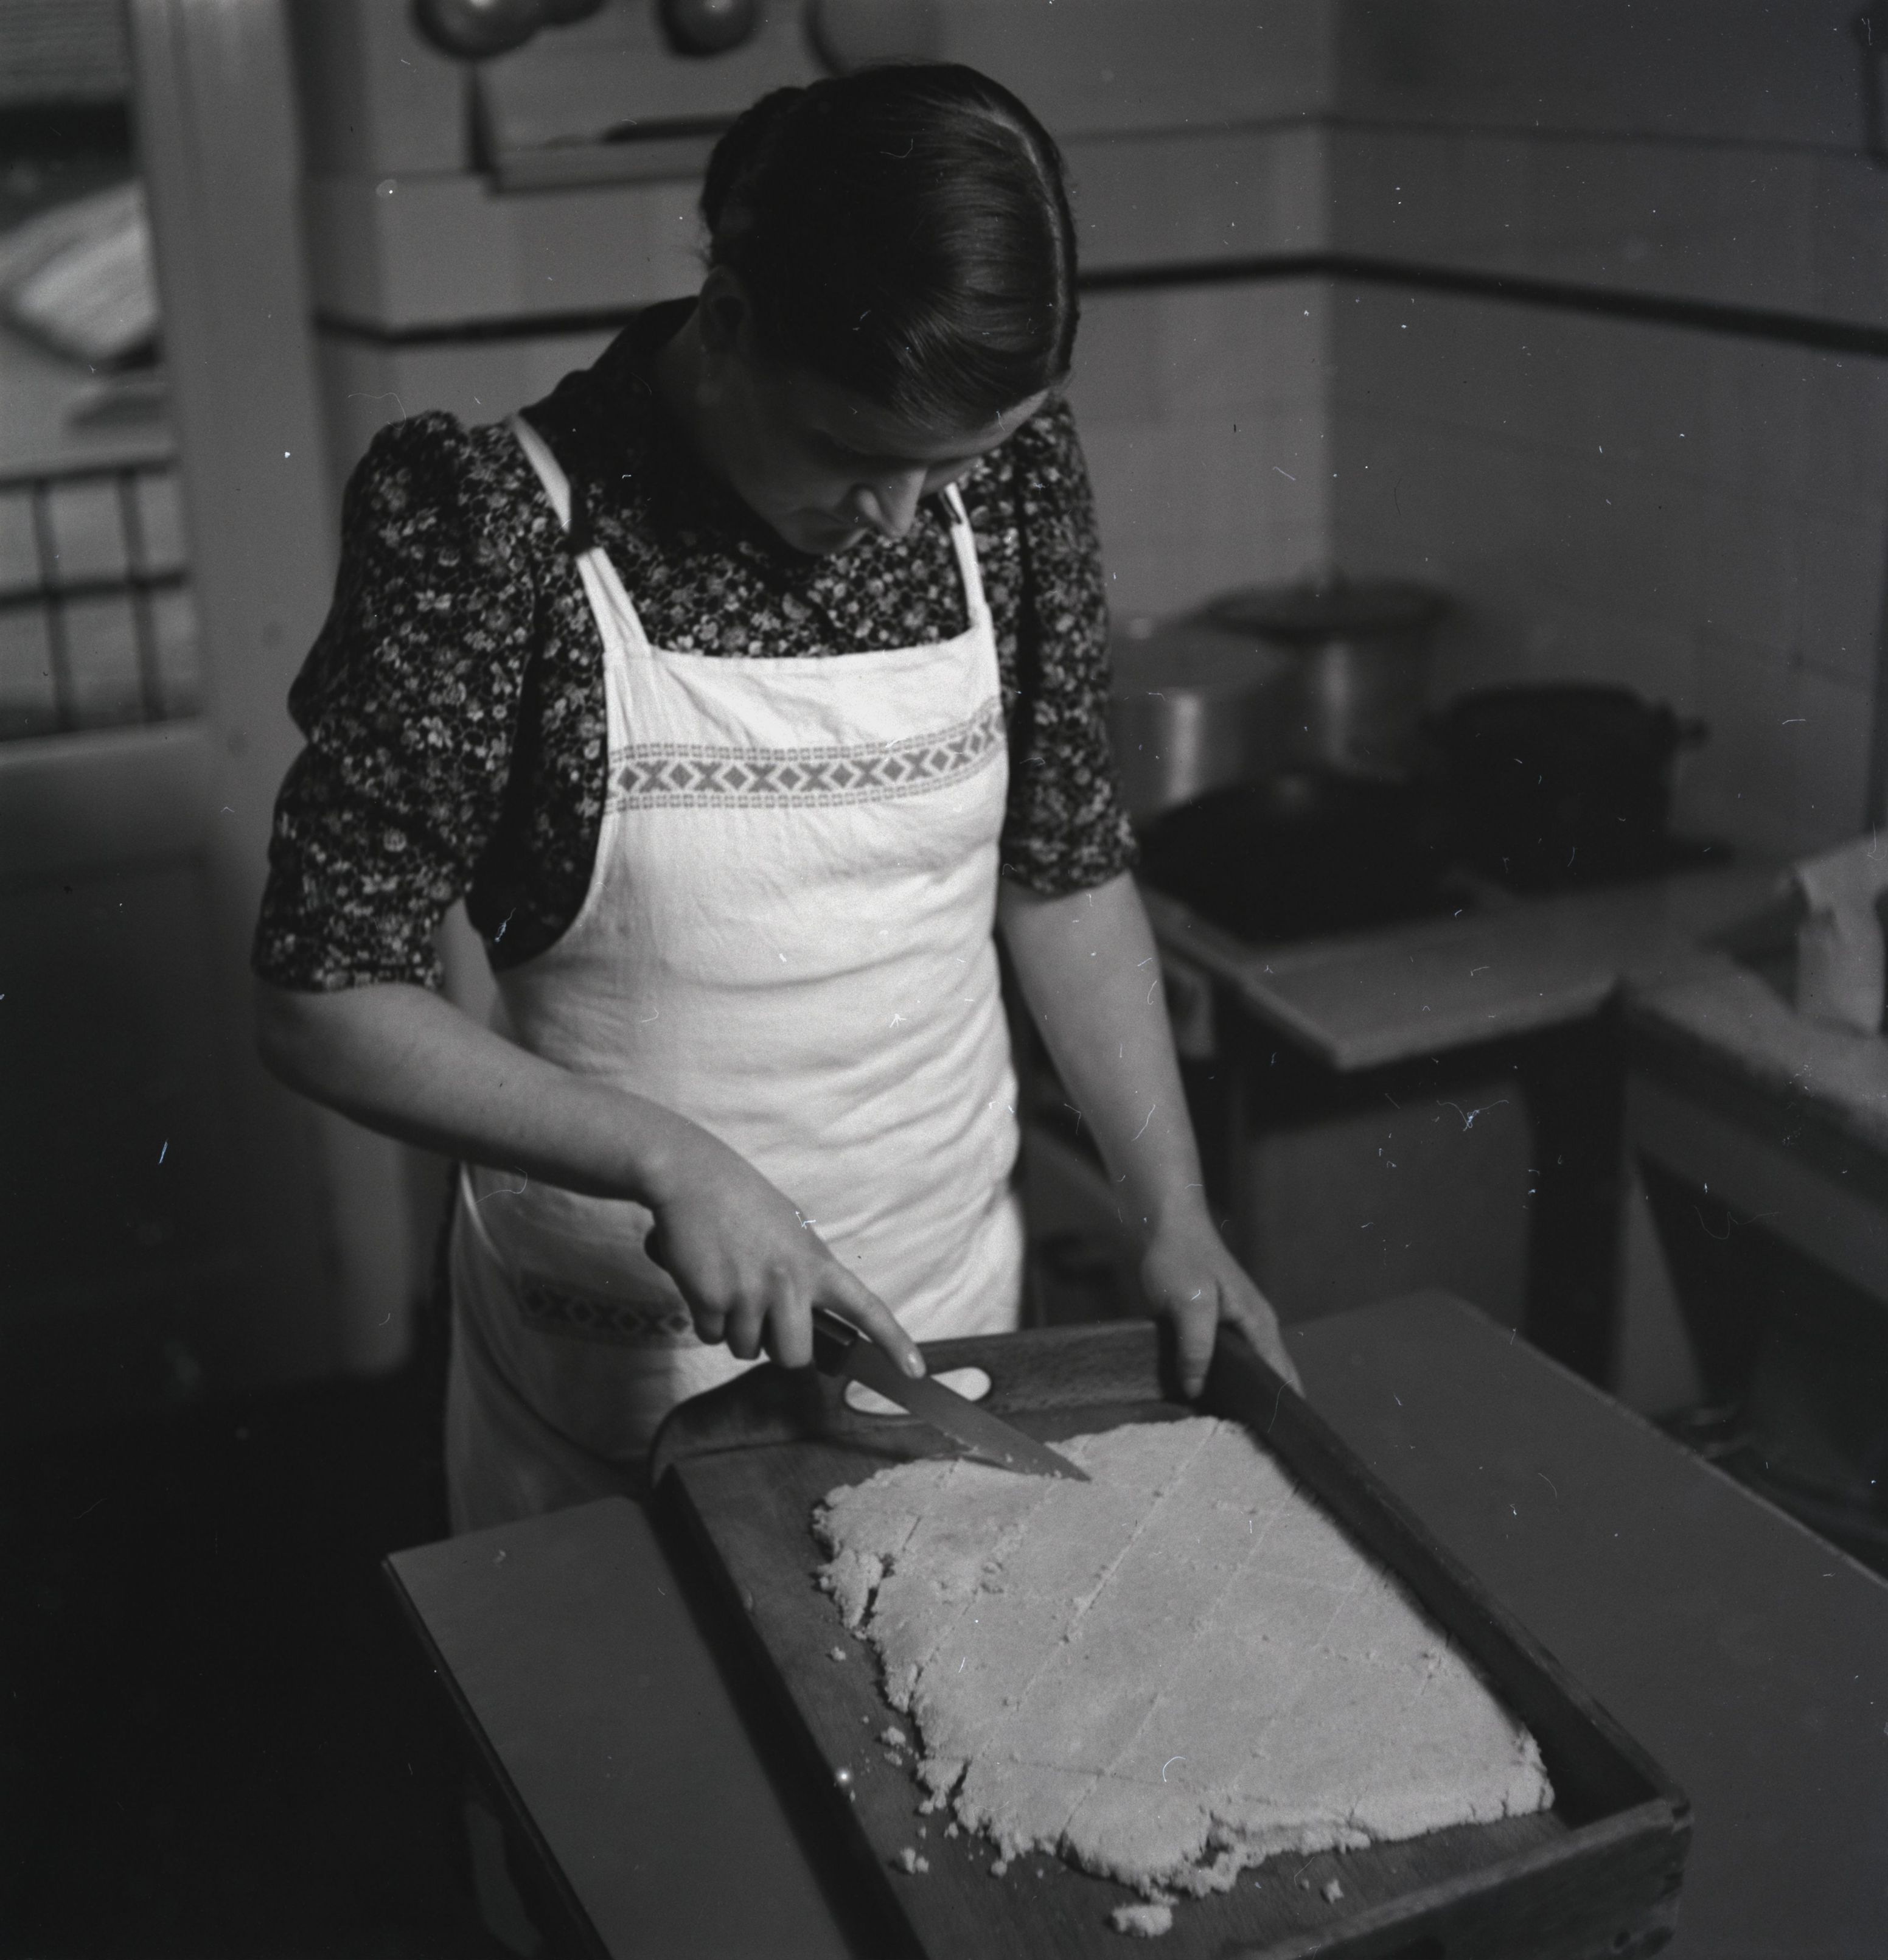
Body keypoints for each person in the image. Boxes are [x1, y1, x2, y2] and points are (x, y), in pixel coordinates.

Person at [254, 63, 1298, 1533]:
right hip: (629, 1354)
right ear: (732, 321)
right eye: (854, 454)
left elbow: (1062, 869)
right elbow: (321, 997)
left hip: (940, 1307)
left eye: (953, 466)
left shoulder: (1001, 486)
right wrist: (663, 1156)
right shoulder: (497, 536)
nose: (900, 518)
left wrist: (1173, 1215)